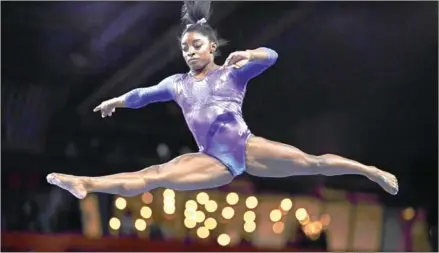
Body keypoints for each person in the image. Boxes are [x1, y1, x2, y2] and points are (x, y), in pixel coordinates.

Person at [47, 1, 398, 199]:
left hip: (246, 147)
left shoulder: (232, 72)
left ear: (212, 47)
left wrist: (249, 53)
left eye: (195, 46)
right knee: (153, 174)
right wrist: (117, 101)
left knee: (313, 162)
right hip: (212, 160)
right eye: (184, 48)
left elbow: (272, 56)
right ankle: (86, 184)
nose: (189, 53)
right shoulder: (177, 83)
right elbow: (142, 95)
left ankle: (371, 171)